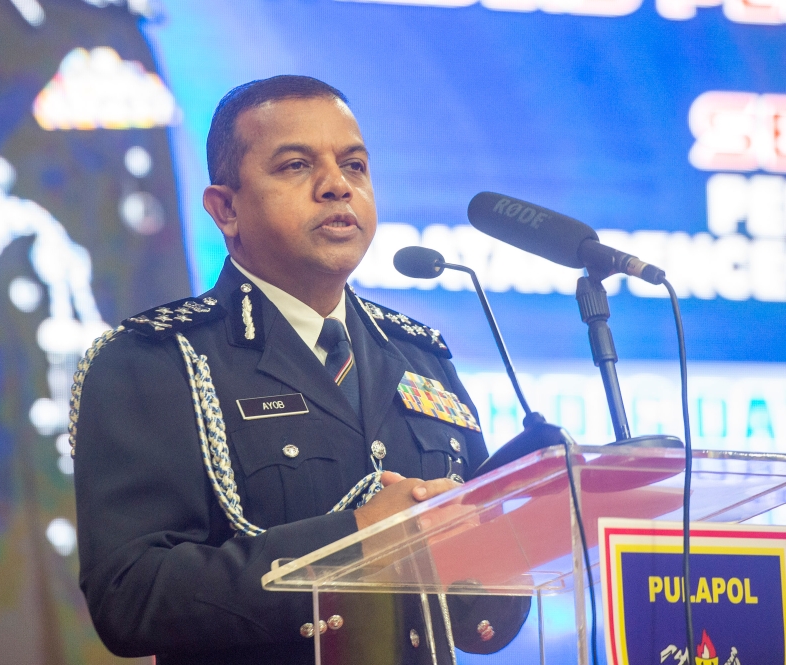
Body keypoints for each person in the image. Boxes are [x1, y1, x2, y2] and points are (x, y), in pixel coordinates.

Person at [72, 75, 530, 665]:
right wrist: (358, 542)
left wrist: (506, 542)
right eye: (295, 165)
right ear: (226, 209)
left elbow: (480, 622)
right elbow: (130, 598)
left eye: (355, 165)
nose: (337, 186)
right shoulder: (153, 363)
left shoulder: (421, 357)